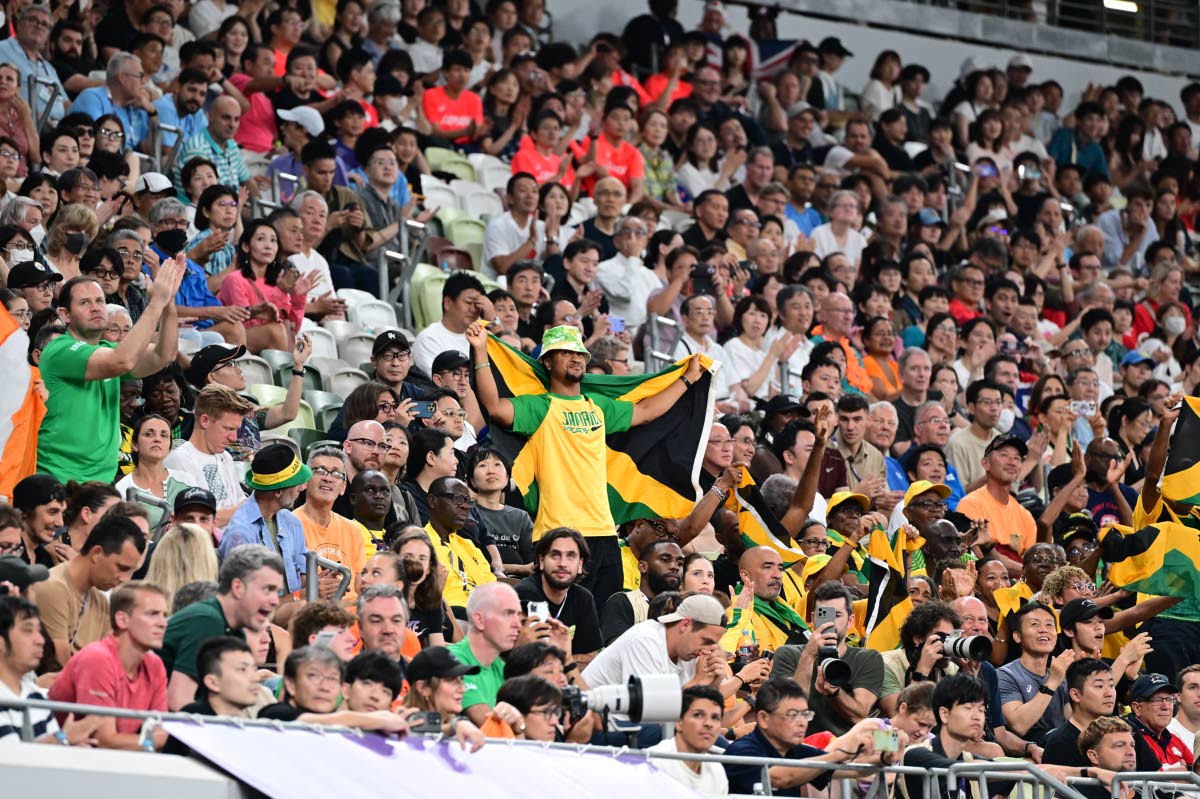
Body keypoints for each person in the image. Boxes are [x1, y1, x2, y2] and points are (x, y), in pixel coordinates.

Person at [469, 321, 704, 604]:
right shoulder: (539, 406)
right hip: (560, 534)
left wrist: (687, 379)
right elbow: (495, 407)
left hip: (605, 533)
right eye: (566, 352)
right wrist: (480, 350)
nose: (576, 358)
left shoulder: (596, 405)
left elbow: (645, 411)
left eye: (580, 353)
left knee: (606, 623)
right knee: (561, 622)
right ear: (547, 361)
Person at [38, 263, 184, 483]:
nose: (96, 307)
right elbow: (122, 361)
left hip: (101, 480)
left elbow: (165, 355)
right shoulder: (59, 350)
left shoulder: (106, 349)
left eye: (100, 301)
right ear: (65, 314)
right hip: (59, 477)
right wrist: (155, 304)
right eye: (85, 302)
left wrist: (168, 302)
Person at [159, 544, 285, 710]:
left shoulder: (236, 631)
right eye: (268, 589)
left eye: (278, 592)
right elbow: (179, 702)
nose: (275, 600)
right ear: (238, 587)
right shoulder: (207, 620)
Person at [47, 582, 169, 750]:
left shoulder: (155, 665)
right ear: (122, 619)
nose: (163, 623)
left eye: (164, 615)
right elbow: (104, 741)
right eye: (153, 614)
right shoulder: (97, 658)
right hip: (62, 757)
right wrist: (150, 742)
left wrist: (154, 741)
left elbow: (161, 732)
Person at [723, 677, 885, 796]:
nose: (802, 723)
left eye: (805, 715)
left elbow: (852, 770)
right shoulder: (742, 752)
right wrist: (842, 752)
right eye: (793, 715)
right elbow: (780, 777)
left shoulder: (796, 750)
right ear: (764, 719)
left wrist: (885, 755)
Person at [771, 580, 884, 736]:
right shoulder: (788, 654)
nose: (830, 622)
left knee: (894, 741)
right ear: (812, 619)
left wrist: (835, 693)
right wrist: (808, 656)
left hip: (847, 747)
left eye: (837, 615)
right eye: (823, 614)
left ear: (850, 620)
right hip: (799, 743)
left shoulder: (867, 658)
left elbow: (859, 716)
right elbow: (789, 710)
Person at [35, 515, 146, 667]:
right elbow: (60, 670)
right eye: (122, 568)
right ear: (97, 553)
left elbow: (109, 664)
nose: (125, 579)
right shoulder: (53, 587)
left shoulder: (101, 600)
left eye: (130, 572)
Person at [0, 596, 103, 745]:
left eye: (39, 631)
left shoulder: (34, 695)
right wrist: (62, 739)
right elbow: (11, 761)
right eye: (28, 630)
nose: (40, 640)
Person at [216, 444, 311, 595]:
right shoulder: (240, 535)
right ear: (279, 491)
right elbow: (247, 603)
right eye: (297, 483)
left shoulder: (291, 522)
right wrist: (299, 598)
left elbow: (304, 578)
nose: (303, 487)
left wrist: (318, 587)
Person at [583, 593, 725, 690]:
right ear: (685, 625)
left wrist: (714, 683)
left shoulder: (690, 651)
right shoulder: (645, 641)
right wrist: (698, 682)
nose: (707, 650)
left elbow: (703, 714)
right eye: (706, 641)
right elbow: (652, 715)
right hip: (591, 724)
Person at [164, 384, 255, 525]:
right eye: (228, 428)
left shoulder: (225, 457)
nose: (234, 438)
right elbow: (196, 522)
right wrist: (245, 509)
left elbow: (241, 504)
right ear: (205, 420)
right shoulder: (179, 460)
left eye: (236, 429)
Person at [514, 527, 602, 661]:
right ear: (542, 560)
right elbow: (540, 658)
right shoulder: (526, 593)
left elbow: (589, 657)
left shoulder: (583, 597)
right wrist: (571, 659)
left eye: (571, 556)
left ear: (580, 564)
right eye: (555, 555)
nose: (562, 564)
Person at [956, 434, 1037, 572]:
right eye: (1004, 455)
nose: (1011, 462)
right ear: (986, 463)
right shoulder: (970, 504)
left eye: (1017, 458)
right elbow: (979, 560)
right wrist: (1028, 571)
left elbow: (1030, 560)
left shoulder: (1026, 516)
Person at [295, 447, 367, 603]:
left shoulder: (353, 529)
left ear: (343, 487)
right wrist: (312, 591)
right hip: (313, 612)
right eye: (320, 471)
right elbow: (291, 592)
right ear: (305, 480)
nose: (328, 478)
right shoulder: (291, 524)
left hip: (353, 613)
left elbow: (360, 588)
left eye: (336, 474)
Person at [447, 581, 524, 725]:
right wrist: (520, 726)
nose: (518, 625)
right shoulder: (453, 661)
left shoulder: (502, 668)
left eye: (518, 615)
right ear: (479, 620)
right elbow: (488, 723)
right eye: (508, 614)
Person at [997, 601, 1074, 743]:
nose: (1043, 630)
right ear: (1017, 636)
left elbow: (1072, 722)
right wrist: (1052, 682)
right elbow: (1019, 725)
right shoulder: (1005, 675)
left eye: (1049, 625)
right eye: (1034, 624)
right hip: (1027, 752)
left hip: (1060, 746)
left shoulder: (1058, 674)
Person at [648, 685, 729, 795]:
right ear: (679, 722)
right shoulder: (654, 763)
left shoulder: (717, 770)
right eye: (698, 715)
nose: (708, 724)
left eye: (715, 718)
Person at [1040, 658, 1118, 766]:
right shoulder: (1060, 743)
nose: (1109, 693)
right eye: (1099, 686)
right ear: (1075, 695)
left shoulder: (1126, 732)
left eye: (1111, 685)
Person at [1125, 672, 1195, 770]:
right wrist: (1186, 774)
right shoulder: (1130, 738)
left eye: (1169, 699)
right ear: (1137, 708)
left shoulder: (1173, 739)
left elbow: (1197, 770)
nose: (1166, 706)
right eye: (1157, 700)